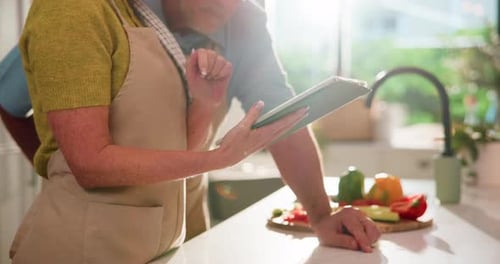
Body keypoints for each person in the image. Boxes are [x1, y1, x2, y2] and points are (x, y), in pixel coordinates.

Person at [3, 0, 380, 262]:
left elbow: (285, 118)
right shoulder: (78, 14)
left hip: (178, 223)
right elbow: (21, 111)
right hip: (93, 240)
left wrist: (320, 214)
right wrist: (58, 164)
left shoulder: (240, 22)